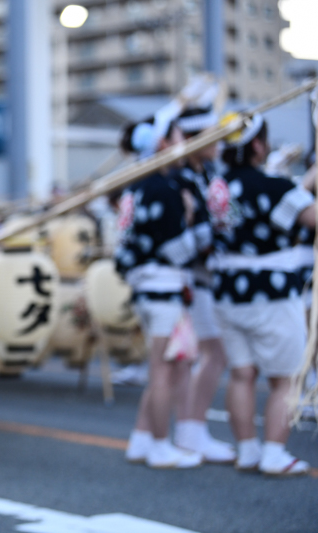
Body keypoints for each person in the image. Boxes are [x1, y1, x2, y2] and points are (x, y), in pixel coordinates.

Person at [207, 113, 315, 475]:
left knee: (242, 374)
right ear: (257, 144)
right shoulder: (274, 187)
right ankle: (274, 452)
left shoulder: (217, 188)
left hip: (227, 294)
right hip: (271, 292)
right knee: (283, 378)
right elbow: (309, 217)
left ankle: (248, 450)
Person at [115, 112, 203, 469]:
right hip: (163, 285)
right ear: (163, 143)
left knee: (160, 368)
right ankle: (160, 444)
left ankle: (141, 438)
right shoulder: (163, 188)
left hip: (144, 286)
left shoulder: (134, 186)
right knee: (163, 370)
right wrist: (193, 219)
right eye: (179, 136)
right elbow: (176, 248)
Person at [170, 107, 236, 463]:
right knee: (209, 353)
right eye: (212, 133)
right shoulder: (181, 179)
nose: (219, 141)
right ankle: (190, 431)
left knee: (202, 355)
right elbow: (186, 235)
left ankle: (192, 431)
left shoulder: (208, 173)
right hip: (190, 278)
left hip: (209, 275)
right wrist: (214, 230)